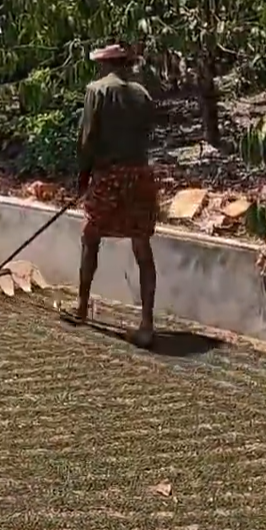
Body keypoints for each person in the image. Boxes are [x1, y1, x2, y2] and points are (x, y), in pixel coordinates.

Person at [66, 42, 159, 347]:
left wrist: (83, 177)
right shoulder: (142, 94)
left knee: (91, 236)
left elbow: (87, 138)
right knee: (142, 246)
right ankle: (147, 323)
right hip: (140, 175)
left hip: (110, 175)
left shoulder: (97, 90)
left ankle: (81, 308)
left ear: (105, 65)